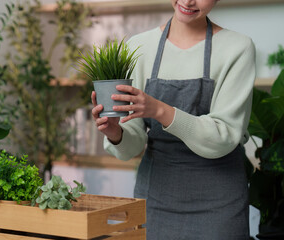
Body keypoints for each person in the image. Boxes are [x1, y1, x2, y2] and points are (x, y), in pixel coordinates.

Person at [91, 0, 256, 239]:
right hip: (156, 199)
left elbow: (224, 136)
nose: (188, 1)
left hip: (219, 201)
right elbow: (132, 146)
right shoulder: (139, 47)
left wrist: (159, 109)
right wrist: (115, 133)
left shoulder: (238, 48)